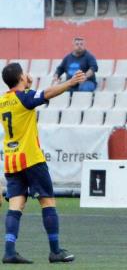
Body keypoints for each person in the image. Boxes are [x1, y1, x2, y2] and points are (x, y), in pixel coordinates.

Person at [0, 62, 82, 264]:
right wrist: (70, 82)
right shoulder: (25, 98)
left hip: (11, 161)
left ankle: (9, 251)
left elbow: (24, 98)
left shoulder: (3, 101)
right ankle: (55, 251)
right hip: (31, 159)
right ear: (20, 77)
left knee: (16, 205)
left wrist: (26, 85)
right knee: (47, 201)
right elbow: (47, 93)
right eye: (25, 73)